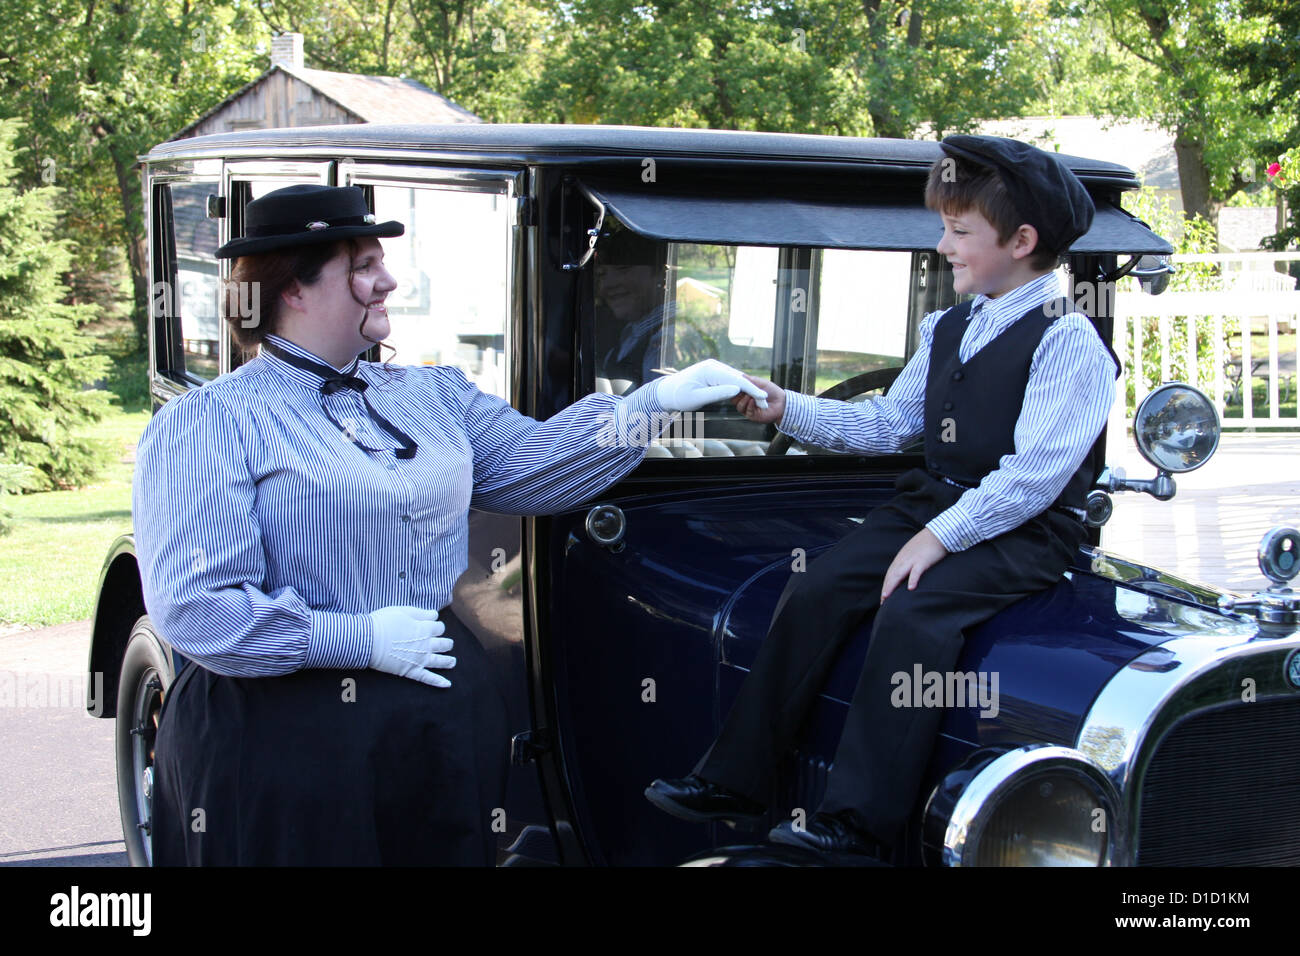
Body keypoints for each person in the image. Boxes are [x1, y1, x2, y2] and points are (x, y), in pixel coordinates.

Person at [134, 183, 765, 866]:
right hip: (280, 735)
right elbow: (196, 608)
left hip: (435, 722)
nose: (388, 280)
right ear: (293, 288)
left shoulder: (432, 394)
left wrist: (658, 401)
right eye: (364, 266)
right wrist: (356, 637)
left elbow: (542, 467)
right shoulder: (209, 422)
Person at [644, 135, 1120, 859]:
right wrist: (786, 410)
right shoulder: (949, 327)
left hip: (1023, 530)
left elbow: (1033, 479)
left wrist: (937, 540)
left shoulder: (1068, 341)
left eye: (960, 232)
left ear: (1022, 241)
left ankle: (862, 825)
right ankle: (737, 778)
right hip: (932, 502)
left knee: (914, 613)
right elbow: (889, 423)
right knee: (818, 586)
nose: (943, 246)